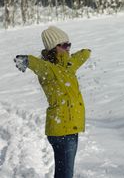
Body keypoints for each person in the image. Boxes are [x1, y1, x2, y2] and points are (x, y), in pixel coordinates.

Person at [14, 26, 91, 178]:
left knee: (64, 173)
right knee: (65, 174)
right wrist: (27, 60)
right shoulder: (48, 70)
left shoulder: (68, 66)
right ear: (53, 48)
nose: (68, 48)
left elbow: (78, 57)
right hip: (62, 130)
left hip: (69, 128)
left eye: (69, 44)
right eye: (64, 45)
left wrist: (87, 52)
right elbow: (38, 64)